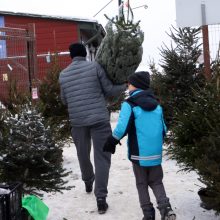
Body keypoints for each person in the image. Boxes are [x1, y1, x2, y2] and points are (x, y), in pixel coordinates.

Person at [59, 43, 126, 214]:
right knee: (102, 157)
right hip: (99, 119)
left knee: (82, 153)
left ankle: (88, 180)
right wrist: (124, 85)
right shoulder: (95, 67)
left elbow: (64, 100)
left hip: (78, 121)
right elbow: (110, 90)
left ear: (71, 56)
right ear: (85, 54)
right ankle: (101, 198)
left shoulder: (63, 75)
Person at [103, 71, 176, 220]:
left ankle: (148, 214)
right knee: (156, 181)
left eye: (129, 84)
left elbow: (121, 128)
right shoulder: (157, 105)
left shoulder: (130, 104)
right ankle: (166, 208)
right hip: (155, 152)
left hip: (139, 153)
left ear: (135, 86)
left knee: (141, 183)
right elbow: (164, 129)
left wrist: (111, 142)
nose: (128, 86)